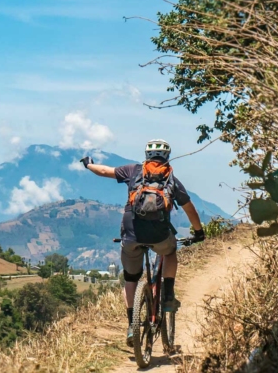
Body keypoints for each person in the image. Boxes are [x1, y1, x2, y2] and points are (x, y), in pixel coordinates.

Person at [79, 139, 205, 346]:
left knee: (131, 279)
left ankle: (132, 326)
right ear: (167, 156)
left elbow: (102, 171)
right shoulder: (172, 179)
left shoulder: (133, 171)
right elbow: (190, 209)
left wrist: (88, 163)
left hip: (131, 235)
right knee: (170, 251)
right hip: (160, 236)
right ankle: (168, 296)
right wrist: (198, 232)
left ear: (146, 155)